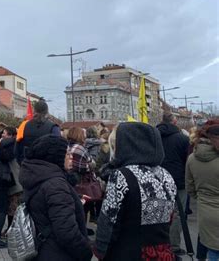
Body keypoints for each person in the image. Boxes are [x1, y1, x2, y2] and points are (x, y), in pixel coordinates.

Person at [94, 122, 177, 260]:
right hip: (162, 252)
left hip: (129, 252)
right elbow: (169, 217)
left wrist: (100, 252)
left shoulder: (122, 176)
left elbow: (109, 222)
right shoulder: (165, 174)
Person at [19, 134, 92, 260]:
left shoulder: (39, 175)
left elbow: (45, 202)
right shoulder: (56, 184)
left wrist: (74, 198)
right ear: (55, 157)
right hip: (58, 253)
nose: (71, 156)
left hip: (44, 248)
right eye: (67, 153)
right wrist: (86, 251)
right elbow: (67, 232)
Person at [156, 112, 190, 256]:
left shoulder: (154, 136)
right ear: (174, 123)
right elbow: (186, 161)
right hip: (178, 180)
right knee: (177, 213)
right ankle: (174, 245)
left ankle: (159, 243)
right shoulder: (182, 138)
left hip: (157, 179)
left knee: (159, 211)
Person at [186, 120, 219, 261]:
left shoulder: (192, 159)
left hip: (205, 211)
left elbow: (190, 187)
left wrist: (202, 198)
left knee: (213, 251)